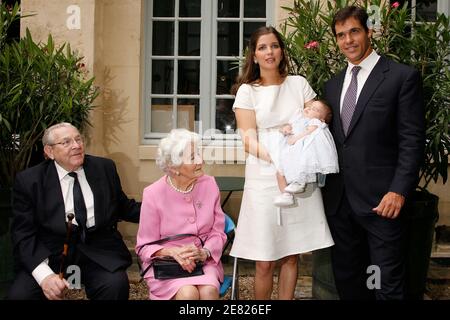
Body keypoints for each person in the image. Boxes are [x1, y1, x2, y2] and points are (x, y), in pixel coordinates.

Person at [322, 6, 425, 300]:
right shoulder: (332, 86)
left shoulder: (400, 77)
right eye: (341, 35)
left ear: (369, 32)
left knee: (384, 284)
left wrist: (399, 191)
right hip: (340, 205)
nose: (348, 40)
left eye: (354, 31)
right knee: (350, 284)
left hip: (382, 204)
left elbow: (412, 140)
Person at [229, 26, 334, 300]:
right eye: (262, 47)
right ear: (253, 56)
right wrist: (280, 158)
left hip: (299, 174)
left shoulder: (298, 84)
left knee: (291, 253)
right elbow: (248, 141)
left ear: (282, 50)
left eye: (274, 45)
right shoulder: (247, 92)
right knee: (264, 259)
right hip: (264, 175)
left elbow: (318, 120)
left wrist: (301, 152)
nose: (269, 52)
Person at [7, 122, 141, 300]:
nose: (76, 146)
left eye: (78, 139)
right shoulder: (30, 181)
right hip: (51, 253)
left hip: (98, 252)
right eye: (66, 142)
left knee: (115, 286)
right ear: (49, 151)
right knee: (20, 296)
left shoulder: (104, 168)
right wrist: (45, 276)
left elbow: (123, 207)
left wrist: (166, 210)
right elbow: (23, 233)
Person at [135, 129, 226, 300]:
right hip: (167, 265)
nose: (200, 160)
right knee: (188, 293)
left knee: (208, 291)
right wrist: (171, 253)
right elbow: (144, 246)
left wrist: (205, 251)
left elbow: (218, 232)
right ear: (173, 167)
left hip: (203, 262)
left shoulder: (210, 184)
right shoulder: (153, 194)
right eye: (192, 157)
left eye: (198, 153)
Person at [270, 99, 339, 207]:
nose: (310, 109)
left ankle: (299, 182)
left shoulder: (315, 122)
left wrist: (295, 138)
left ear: (322, 118)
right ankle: (285, 194)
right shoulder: (299, 119)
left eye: (315, 109)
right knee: (280, 171)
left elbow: (309, 131)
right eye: (310, 107)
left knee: (299, 167)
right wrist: (286, 129)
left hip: (299, 150)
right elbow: (288, 125)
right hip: (289, 150)